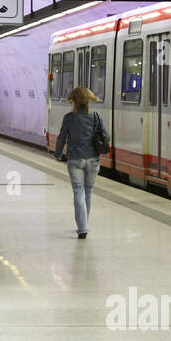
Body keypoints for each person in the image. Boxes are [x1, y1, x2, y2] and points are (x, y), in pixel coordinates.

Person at [54, 86, 105, 238]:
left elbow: (61, 138)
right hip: (93, 160)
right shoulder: (96, 116)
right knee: (88, 191)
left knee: (78, 191)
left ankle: (82, 227)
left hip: (75, 159)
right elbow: (106, 135)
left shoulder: (69, 118)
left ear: (74, 101)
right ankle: (84, 224)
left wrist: (57, 154)